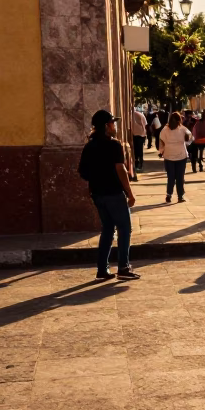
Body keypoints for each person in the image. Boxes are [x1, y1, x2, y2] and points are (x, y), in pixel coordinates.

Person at [77, 110, 139, 281]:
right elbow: (121, 169)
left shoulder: (89, 146)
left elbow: (82, 171)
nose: (115, 126)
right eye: (113, 123)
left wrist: (95, 181)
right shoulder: (114, 145)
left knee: (108, 230)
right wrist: (129, 193)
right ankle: (123, 268)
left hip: (98, 194)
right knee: (124, 228)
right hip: (113, 193)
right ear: (106, 126)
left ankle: (102, 269)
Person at [158, 111, 192, 203]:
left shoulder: (164, 130)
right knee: (180, 177)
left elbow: (161, 141)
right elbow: (190, 138)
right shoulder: (183, 129)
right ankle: (180, 196)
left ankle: (169, 194)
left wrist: (161, 151)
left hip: (168, 155)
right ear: (179, 120)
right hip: (181, 155)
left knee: (171, 176)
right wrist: (186, 143)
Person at [131, 106, 146, 174]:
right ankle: (141, 163)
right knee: (140, 150)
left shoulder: (130, 115)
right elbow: (145, 124)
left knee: (135, 150)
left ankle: (137, 163)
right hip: (141, 134)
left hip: (134, 134)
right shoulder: (141, 115)